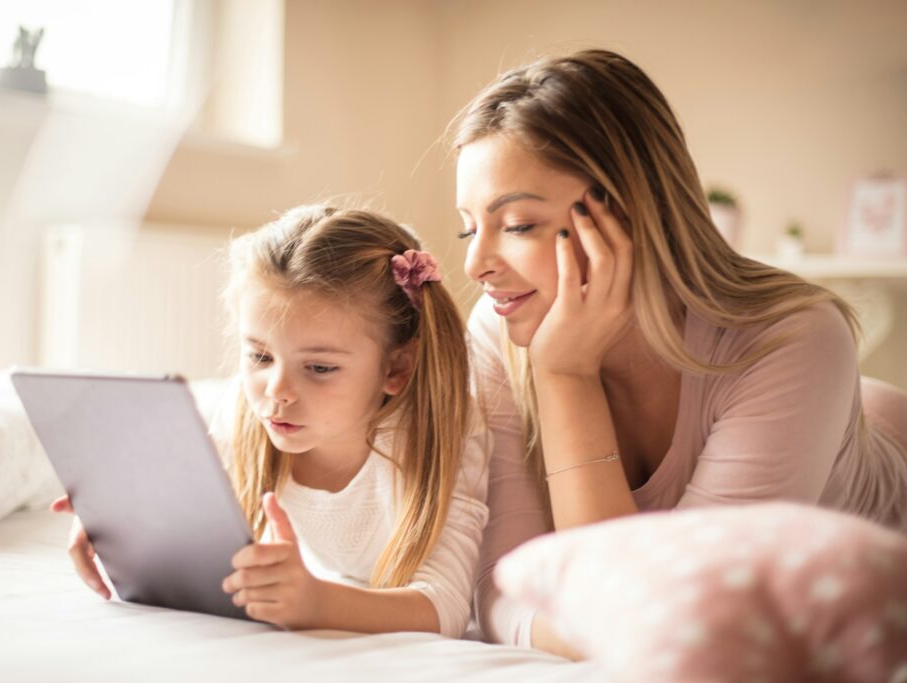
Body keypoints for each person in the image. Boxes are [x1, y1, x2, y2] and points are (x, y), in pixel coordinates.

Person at [450, 49, 907, 657]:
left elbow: (660, 615)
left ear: (628, 213)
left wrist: (564, 376)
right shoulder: (500, 326)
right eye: (467, 227)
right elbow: (497, 584)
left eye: (517, 225)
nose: (475, 264)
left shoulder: (794, 340)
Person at [52, 204, 489, 637]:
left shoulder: (442, 430)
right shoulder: (245, 414)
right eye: (260, 356)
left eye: (319, 368)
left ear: (396, 368)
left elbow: (445, 606)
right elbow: (189, 525)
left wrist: (316, 603)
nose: (276, 390)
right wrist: (123, 517)